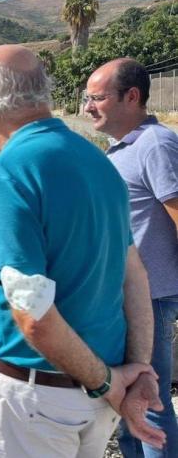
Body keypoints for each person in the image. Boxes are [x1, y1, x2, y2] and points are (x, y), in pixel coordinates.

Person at [0, 45, 165, 457]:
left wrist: (109, 383)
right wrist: (137, 370)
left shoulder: (7, 172)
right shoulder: (97, 160)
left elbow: (32, 312)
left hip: (35, 396)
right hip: (93, 395)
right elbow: (134, 274)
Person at [85, 58, 178, 458]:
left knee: (149, 402)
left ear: (132, 96)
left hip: (151, 298)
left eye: (97, 97)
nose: (88, 107)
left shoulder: (156, 144)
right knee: (125, 402)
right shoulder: (124, 147)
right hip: (125, 298)